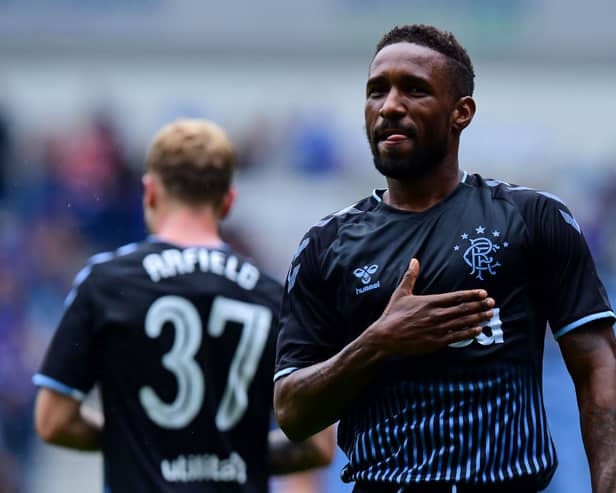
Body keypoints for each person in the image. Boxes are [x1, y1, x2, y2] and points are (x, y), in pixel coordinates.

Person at [273, 24, 616, 493]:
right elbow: (292, 413)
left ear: (462, 112)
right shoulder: (325, 244)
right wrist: (379, 341)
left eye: (415, 90)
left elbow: (597, 366)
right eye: (377, 91)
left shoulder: (532, 219)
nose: (390, 106)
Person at [33, 118, 334, 493]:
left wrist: (140, 444)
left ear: (150, 192)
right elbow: (318, 446)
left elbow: (53, 421)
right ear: (228, 201)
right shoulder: (273, 295)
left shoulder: (106, 284)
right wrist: (229, 455)